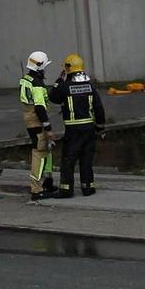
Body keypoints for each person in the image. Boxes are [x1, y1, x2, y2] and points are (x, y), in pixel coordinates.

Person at [49, 52, 106, 196]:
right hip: (89, 129)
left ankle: (66, 189)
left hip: (73, 130)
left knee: (68, 159)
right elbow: (99, 108)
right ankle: (88, 187)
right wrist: (100, 127)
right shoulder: (90, 86)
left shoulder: (65, 86)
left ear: (68, 69)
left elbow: (53, 97)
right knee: (86, 159)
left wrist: (59, 80)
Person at [19, 51, 65, 202]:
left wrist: (59, 79)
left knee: (46, 151)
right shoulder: (37, 83)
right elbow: (40, 107)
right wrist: (49, 128)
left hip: (31, 120)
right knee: (39, 153)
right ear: (40, 67)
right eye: (45, 66)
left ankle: (48, 183)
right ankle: (36, 189)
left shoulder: (27, 79)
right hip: (37, 121)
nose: (45, 69)